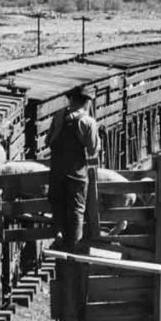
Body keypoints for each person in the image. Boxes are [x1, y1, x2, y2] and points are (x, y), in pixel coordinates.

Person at [47, 86, 100, 249]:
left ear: (71, 100)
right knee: (77, 209)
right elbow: (92, 150)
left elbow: (47, 141)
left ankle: (58, 234)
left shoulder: (58, 117)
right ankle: (74, 245)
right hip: (76, 174)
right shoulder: (87, 122)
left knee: (57, 205)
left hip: (56, 172)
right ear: (86, 102)